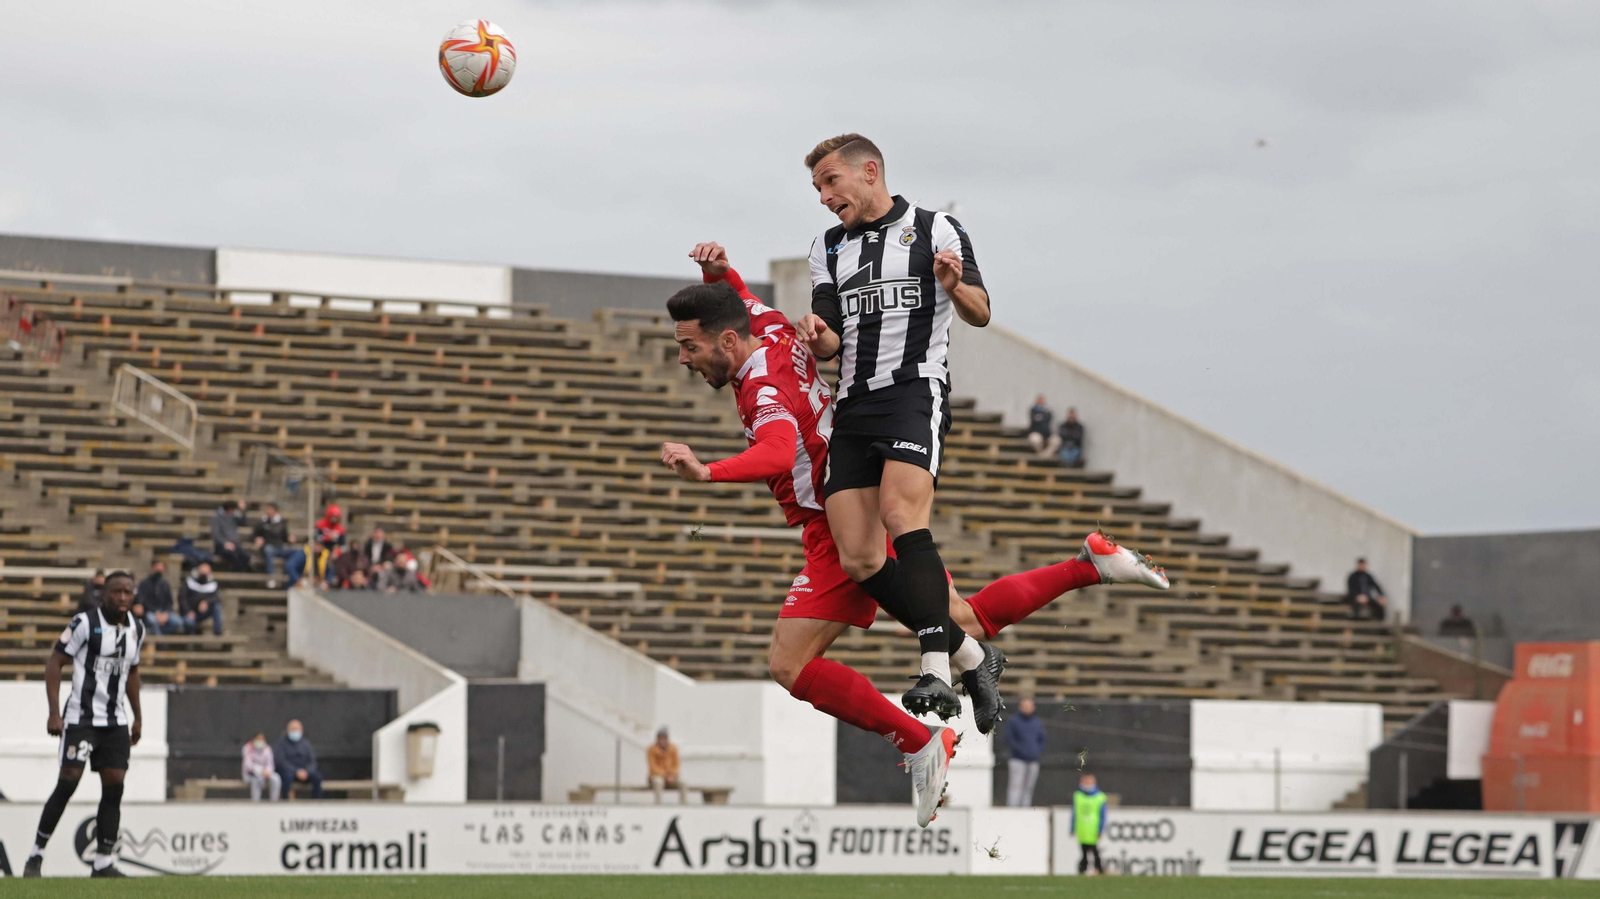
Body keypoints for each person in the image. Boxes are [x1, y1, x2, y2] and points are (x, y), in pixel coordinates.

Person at [661, 246, 1169, 827]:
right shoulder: (767, 324)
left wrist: (707, 471)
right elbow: (732, 299)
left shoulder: (762, 388)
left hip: (840, 524)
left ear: (727, 342)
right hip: (856, 499)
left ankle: (920, 739)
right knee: (961, 620)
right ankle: (1089, 565)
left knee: (790, 663)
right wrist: (715, 271)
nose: (683, 358)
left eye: (689, 346)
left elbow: (777, 449)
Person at [794, 134, 996, 721]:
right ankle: (971, 654)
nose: (825, 198)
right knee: (858, 557)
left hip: (913, 391)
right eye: (817, 188)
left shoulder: (937, 229)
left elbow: (982, 312)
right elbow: (831, 335)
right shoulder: (828, 246)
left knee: (902, 516)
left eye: (831, 182)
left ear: (870, 171)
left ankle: (936, 670)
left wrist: (954, 284)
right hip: (854, 402)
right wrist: (817, 332)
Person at [23, 570, 144, 878]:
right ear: (103, 594)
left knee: (115, 786)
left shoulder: (137, 629)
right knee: (68, 781)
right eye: (116, 592)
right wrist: (54, 712)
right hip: (81, 718)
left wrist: (138, 716)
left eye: (127, 592)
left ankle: (103, 862)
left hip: (116, 721)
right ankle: (36, 855)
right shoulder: (84, 623)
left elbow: (131, 673)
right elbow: (55, 661)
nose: (122, 597)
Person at [1003, 697, 1046, 807]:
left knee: (1029, 787)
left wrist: (1036, 752)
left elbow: (1042, 740)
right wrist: (1020, 751)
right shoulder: (1014, 721)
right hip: (1017, 759)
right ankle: (1012, 808)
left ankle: (1025, 809)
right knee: (1016, 785)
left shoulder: (1037, 722)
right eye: (1025, 706)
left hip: (1033, 760)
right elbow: (1010, 738)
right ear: (1020, 707)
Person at [274, 719, 323, 799]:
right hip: (289, 772)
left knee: (317, 778)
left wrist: (306, 771)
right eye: (293, 729)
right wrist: (296, 771)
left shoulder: (306, 744)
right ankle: (285, 802)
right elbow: (280, 761)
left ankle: (316, 802)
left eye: (297, 729)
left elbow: (312, 761)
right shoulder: (281, 744)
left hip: (305, 772)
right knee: (286, 778)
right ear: (287, 730)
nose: (295, 731)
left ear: (301, 730)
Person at [1071, 773, 1107, 875]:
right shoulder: (1077, 796)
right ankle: (1083, 869)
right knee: (1084, 852)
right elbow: (1074, 814)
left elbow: (1103, 816)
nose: (1087, 785)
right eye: (1085, 782)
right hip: (1082, 830)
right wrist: (1072, 828)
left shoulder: (1100, 797)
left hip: (1093, 830)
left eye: (1089, 782)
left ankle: (1098, 868)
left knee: (1094, 851)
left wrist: (1100, 829)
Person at [138, 560, 185, 635]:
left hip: (164, 612)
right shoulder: (144, 583)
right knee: (153, 621)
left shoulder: (165, 584)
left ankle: (162, 635)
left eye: (161, 567)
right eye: (157, 567)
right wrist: (155, 612)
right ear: (152, 568)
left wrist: (165, 613)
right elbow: (143, 601)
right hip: (150, 611)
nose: (159, 569)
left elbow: (169, 602)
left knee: (179, 622)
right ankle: (160, 641)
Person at [253, 502, 294, 589]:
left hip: (280, 547)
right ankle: (271, 577)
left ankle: (294, 579)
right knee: (268, 550)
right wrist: (257, 538)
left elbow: (285, 537)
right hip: (268, 547)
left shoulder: (282, 523)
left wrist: (290, 539)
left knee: (299, 552)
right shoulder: (262, 523)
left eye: (270, 509)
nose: (268, 511)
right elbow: (255, 535)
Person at [178, 562, 225, 636]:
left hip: (202, 613)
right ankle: (191, 643)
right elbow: (182, 598)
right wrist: (188, 611)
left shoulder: (212, 584)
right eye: (202, 570)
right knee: (189, 622)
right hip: (189, 613)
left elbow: (216, 598)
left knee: (216, 607)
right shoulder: (189, 582)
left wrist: (207, 602)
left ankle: (218, 633)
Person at [210, 500, 251, 572]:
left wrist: (243, 510)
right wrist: (225, 543)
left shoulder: (234, 517)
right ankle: (237, 572)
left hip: (234, 544)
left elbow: (243, 522)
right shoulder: (216, 518)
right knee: (234, 556)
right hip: (221, 545)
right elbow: (216, 534)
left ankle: (244, 571)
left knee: (246, 556)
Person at [241, 732, 281, 801]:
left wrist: (267, 772)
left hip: (266, 774)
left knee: (276, 778)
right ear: (253, 739)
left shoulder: (267, 749)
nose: (260, 741)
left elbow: (270, 763)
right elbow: (248, 765)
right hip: (250, 775)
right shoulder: (247, 748)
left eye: (262, 739)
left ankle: (274, 802)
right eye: (258, 739)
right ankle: (256, 804)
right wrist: (260, 771)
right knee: (257, 780)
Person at [647, 727, 682, 804]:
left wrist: (672, 775)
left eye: (664, 737)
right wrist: (665, 776)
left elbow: (676, 764)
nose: (662, 739)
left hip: (671, 776)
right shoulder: (651, 749)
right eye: (660, 737)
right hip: (657, 775)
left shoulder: (673, 748)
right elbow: (653, 767)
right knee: (659, 782)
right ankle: (658, 806)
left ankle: (684, 807)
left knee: (684, 784)